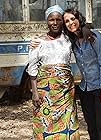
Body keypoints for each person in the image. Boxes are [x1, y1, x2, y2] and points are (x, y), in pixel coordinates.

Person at [63, 9, 101, 140]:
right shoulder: (73, 41)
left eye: (72, 18)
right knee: (91, 126)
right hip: (86, 88)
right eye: (67, 21)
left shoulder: (94, 37)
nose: (71, 23)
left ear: (79, 19)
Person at [27, 5, 80, 140]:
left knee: (67, 123)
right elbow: (32, 69)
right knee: (44, 122)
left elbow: (82, 31)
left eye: (58, 19)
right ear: (47, 21)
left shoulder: (68, 39)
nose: (55, 23)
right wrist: (35, 93)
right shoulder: (38, 42)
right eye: (51, 20)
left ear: (62, 21)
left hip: (66, 92)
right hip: (45, 93)